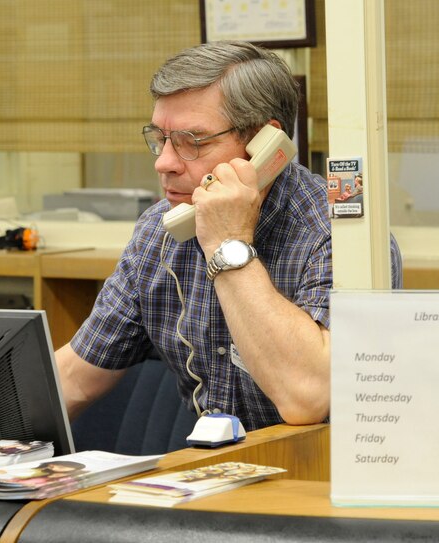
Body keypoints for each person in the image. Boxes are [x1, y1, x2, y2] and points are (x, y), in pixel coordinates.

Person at [56, 41, 398, 432]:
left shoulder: (337, 234)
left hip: (318, 480)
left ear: (263, 146)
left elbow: (307, 396)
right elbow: (74, 379)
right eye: (160, 138)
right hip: (210, 478)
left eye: (191, 141)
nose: (163, 162)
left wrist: (228, 243)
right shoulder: (159, 231)